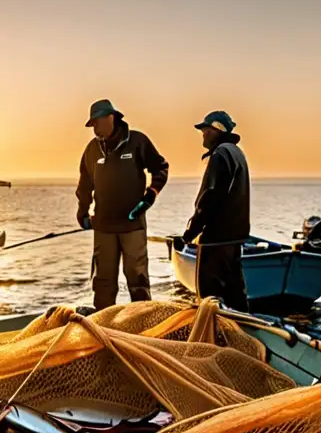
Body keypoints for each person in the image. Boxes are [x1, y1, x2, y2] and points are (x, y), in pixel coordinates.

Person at [76, 99, 169, 310]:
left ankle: (143, 322)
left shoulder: (137, 141)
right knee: (103, 282)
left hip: (132, 226)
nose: (95, 129)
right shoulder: (92, 150)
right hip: (104, 227)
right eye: (91, 126)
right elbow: (84, 184)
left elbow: (161, 168)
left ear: (111, 118)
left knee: (137, 279)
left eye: (96, 123)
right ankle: (103, 327)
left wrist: (151, 195)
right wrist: (82, 210)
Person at [174, 110, 250, 312]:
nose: (203, 135)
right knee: (236, 299)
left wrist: (189, 234)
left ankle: (213, 341)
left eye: (206, 130)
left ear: (217, 130)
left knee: (211, 302)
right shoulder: (237, 153)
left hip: (216, 241)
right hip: (234, 240)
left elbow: (209, 198)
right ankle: (244, 338)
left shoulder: (220, 155)